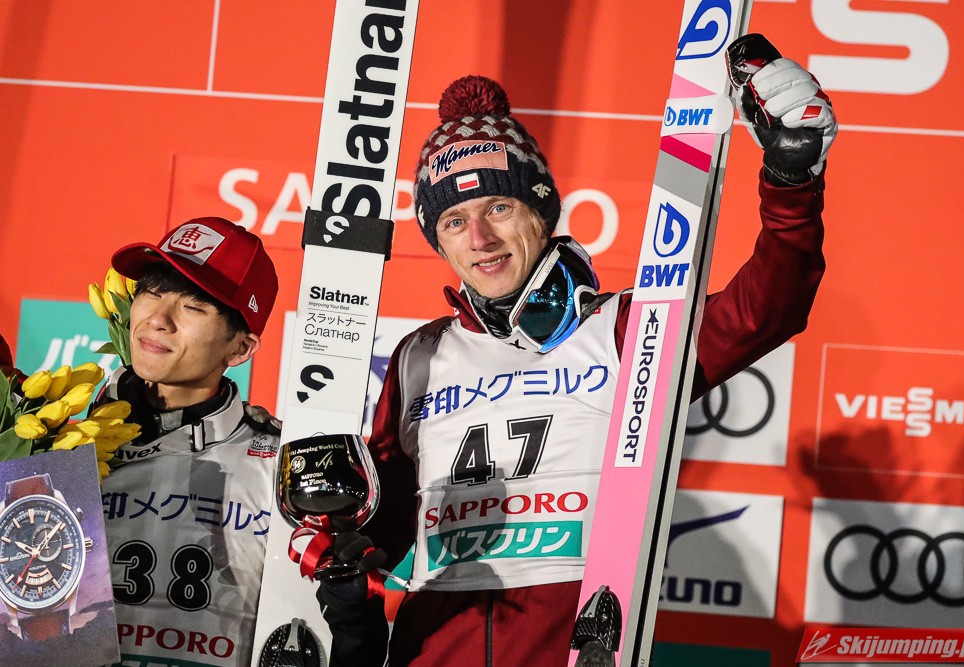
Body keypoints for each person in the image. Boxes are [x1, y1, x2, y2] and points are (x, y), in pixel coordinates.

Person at [317, 46, 836, 666]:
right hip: (434, 646)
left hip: (578, 641)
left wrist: (791, 183)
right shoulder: (418, 357)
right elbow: (379, 527)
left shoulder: (623, 327)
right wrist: (332, 545)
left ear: (541, 212)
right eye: (453, 221)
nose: (480, 239)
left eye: (499, 208)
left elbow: (767, 308)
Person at [95, 217, 281, 667]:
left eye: (194, 307)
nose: (157, 320)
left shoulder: (280, 466)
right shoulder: (53, 442)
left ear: (240, 349)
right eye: (151, 292)